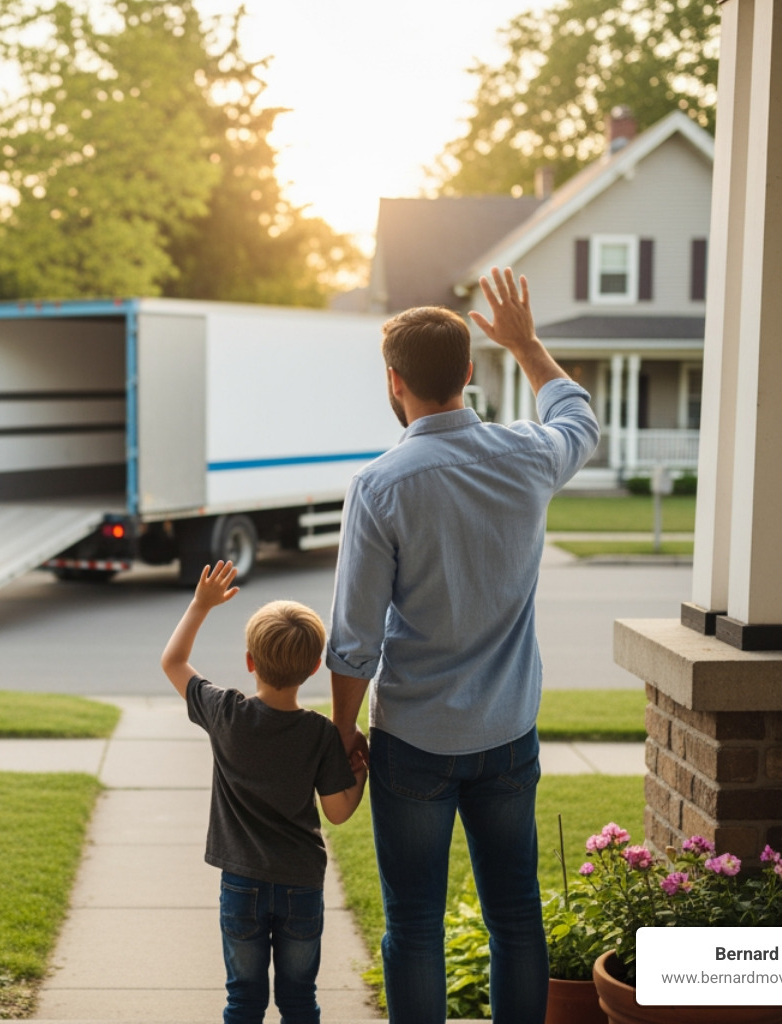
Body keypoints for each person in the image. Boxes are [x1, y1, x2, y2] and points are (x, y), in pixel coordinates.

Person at [325, 268, 599, 1024]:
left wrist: (343, 733)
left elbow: (353, 641)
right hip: (509, 735)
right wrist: (528, 344)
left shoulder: (381, 485)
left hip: (414, 740)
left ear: (394, 381)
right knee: (516, 918)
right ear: (470, 372)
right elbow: (579, 417)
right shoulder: (531, 454)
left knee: (413, 927)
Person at [160, 559, 369, 1024]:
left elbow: (172, 662)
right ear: (315, 668)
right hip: (300, 885)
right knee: (299, 1001)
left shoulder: (226, 712)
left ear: (250, 662)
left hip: (241, 885)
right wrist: (360, 772)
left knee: (243, 1000)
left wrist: (200, 604)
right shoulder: (319, 734)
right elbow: (338, 812)